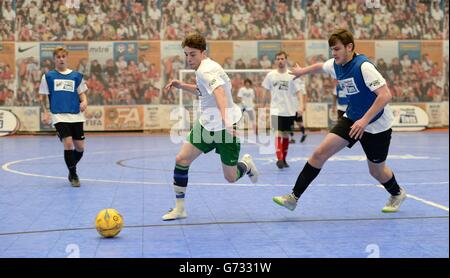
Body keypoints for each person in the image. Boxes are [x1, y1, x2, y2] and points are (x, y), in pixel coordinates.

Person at [273, 29, 406, 213]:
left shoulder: (364, 67)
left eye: (337, 49)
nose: (333, 53)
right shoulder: (336, 64)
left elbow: (385, 96)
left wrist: (364, 121)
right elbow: (320, 66)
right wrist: (302, 71)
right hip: (352, 118)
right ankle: (293, 198)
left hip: (377, 124)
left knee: (376, 171)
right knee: (319, 153)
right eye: (331, 50)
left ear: (349, 47)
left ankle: (397, 193)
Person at [162, 32, 259, 221]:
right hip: (206, 126)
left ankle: (246, 165)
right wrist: (181, 85)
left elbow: (220, 92)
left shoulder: (206, 70)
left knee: (230, 177)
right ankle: (180, 208)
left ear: (203, 53)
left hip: (224, 128)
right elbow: (203, 91)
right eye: (186, 54)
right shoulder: (204, 69)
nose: (189, 59)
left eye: (192, 54)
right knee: (181, 159)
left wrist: (225, 120)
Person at [39, 46, 88, 187]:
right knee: (68, 143)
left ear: (67, 58)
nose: (61, 59)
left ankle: (71, 168)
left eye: (63, 56)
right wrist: (45, 112)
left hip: (76, 115)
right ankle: (73, 175)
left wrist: (84, 101)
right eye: (58, 57)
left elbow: (82, 94)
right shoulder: (48, 77)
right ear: (54, 59)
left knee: (79, 148)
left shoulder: (76, 76)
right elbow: (42, 97)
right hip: (59, 115)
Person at [262, 51, 306, 169]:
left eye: (282, 59)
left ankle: (284, 159)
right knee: (277, 133)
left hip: (289, 110)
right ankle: (280, 158)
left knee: (286, 135)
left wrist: (301, 106)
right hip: (275, 110)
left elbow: (299, 92)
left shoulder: (292, 75)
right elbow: (266, 92)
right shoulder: (270, 75)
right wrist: (262, 106)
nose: (280, 61)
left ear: (286, 60)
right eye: (278, 59)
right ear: (275, 61)